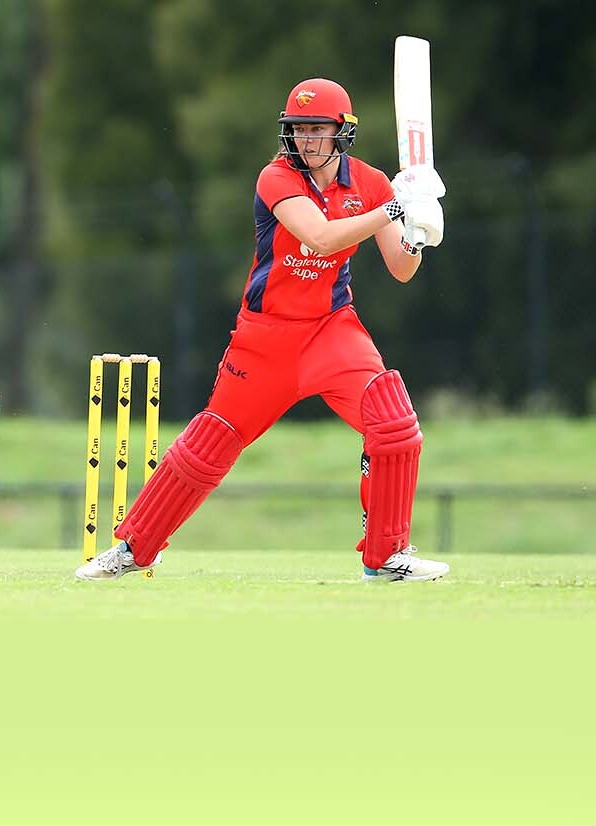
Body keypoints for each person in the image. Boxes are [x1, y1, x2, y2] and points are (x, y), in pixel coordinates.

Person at [77, 77, 450, 584]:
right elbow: (320, 238)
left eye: (317, 129)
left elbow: (401, 270)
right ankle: (134, 548)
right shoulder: (276, 177)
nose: (305, 140)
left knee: (394, 424)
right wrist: (394, 209)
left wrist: (418, 234)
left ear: (343, 132)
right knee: (210, 444)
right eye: (298, 129)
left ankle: (386, 557)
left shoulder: (371, 183)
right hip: (265, 338)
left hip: (331, 330)